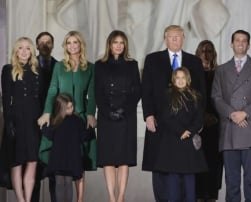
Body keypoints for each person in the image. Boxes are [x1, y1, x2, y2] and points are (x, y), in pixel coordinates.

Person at [141, 25, 206, 202]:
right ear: (165, 39)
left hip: (187, 127)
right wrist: (148, 115)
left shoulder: (194, 61)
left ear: (184, 38)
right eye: (171, 37)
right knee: (161, 167)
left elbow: (202, 94)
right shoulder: (153, 60)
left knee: (187, 171)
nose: (175, 40)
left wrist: (197, 124)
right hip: (160, 123)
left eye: (178, 36)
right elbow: (146, 90)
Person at [37, 30, 97, 202]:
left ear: (80, 45)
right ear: (65, 46)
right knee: (58, 161)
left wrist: (91, 114)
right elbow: (52, 91)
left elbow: (92, 95)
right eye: (69, 43)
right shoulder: (59, 66)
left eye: (75, 42)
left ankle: (79, 199)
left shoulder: (90, 68)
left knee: (79, 163)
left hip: (80, 119)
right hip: (60, 118)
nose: (72, 46)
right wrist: (47, 112)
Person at [211, 30, 251, 202]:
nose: (241, 43)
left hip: (250, 127)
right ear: (231, 44)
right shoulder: (221, 70)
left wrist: (245, 113)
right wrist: (231, 114)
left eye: (244, 40)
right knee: (232, 180)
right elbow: (216, 96)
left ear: (249, 45)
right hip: (229, 128)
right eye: (237, 40)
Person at [95, 30, 141, 202]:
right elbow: (98, 92)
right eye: (116, 42)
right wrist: (108, 112)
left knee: (123, 159)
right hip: (106, 117)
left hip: (126, 116)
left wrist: (124, 110)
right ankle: (112, 198)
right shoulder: (99, 64)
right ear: (109, 44)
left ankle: (121, 197)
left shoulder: (132, 64)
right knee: (108, 159)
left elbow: (137, 90)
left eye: (122, 42)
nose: (119, 46)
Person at [154, 67, 207, 202]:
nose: (181, 80)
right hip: (172, 142)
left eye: (183, 78)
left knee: (189, 178)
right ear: (174, 79)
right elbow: (165, 117)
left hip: (189, 143)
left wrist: (189, 131)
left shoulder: (196, 96)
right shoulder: (167, 95)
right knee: (173, 178)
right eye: (178, 78)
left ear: (188, 79)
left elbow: (199, 118)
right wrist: (180, 131)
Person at [1, 37, 43, 202]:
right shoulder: (8, 69)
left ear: (32, 51)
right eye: (21, 48)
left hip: (34, 122)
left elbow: (39, 99)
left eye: (28, 48)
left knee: (32, 163)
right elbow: (6, 99)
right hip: (16, 120)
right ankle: (21, 200)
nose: (24, 51)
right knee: (16, 163)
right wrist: (9, 121)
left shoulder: (36, 71)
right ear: (16, 51)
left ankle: (28, 198)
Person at [43, 93, 91, 202]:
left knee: (67, 182)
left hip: (68, 158)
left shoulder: (76, 120)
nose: (70, 109)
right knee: (60, 182)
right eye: (67, 108)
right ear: (61, 108)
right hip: (62, 158)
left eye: (72, 107)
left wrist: (91, 130)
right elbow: (50, 134)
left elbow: (83, 136)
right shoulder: (56, 121)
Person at [194, 40, 223, 202]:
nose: (206, 54)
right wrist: (201, 117)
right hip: (197, 128)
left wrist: (215, 117)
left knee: (214, 166)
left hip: (216, 127)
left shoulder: (219, 74)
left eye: (209, 51)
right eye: (202, 50)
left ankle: (212, 197)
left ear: (214, 54)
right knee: (198, 167)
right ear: (198, 53)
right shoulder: (191, 74)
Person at [32, 31, 58, 202]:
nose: (45, 44)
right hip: (34, 123)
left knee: (54, 170)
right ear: (36, 45)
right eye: (41, 42)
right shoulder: (28, 64)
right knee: (34, 171)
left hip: (55, 122)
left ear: (52, 45)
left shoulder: (60, 65)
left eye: (48, 42)